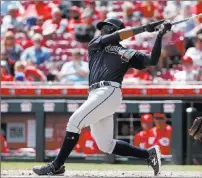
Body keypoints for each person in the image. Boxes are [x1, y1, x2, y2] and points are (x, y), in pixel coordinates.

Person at [32, 18, 172, 176]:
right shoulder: (96, 44)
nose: (102, 28)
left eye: (106, 26)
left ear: (113, 28)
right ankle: (149, 155)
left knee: (74, 122)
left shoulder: (126, 52)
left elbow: (152, 60)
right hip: (96, 94)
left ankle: (56, 165)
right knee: (106, 145)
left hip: (108, 91)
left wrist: (159, 36)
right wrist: (143, 28)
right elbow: (116, 37)